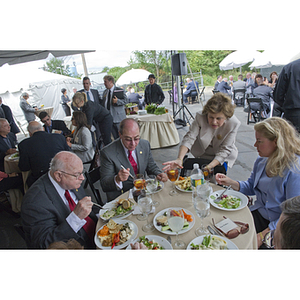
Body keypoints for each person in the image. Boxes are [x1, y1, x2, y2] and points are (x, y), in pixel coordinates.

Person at [215, 117, 300, 248]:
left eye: (259, 141)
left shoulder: (294, 170)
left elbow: (292, 215)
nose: (255, 145)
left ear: (276, 142)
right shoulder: (262, 161)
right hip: (258, 214)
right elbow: (251, 186)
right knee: (222, 233)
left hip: (280, 225)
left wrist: (262, 235)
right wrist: (230, 182)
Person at [21, 151, 98, 249]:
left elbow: (88, 205)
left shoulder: (70, 180)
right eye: (77, 174)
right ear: (58, 175)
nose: (82, 178)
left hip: (97, 230)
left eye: (81, 172)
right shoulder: (34, 202)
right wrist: (76, 217)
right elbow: (45, 244)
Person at [162, 93, 240, 174]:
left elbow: (225, 150)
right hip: (203, 151)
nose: (214, 122)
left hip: (223, 153)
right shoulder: (200, 116)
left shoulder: (233, 123)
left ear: (226, 117)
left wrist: (209, 167)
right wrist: (179, 159)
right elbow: (189, 138)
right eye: (211, 117)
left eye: (218, 118)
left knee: (215, 177)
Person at [100, 118, 168, 201]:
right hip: (122, 197)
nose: (133, 144)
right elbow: (104, 185)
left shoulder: (144, 144)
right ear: (120, 134)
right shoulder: (108, 153)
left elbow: (151, 166)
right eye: (128, 139)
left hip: (144, 192)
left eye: (136, 138)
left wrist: (159, 174)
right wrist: (117, 179)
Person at [18, 121, 70, 187]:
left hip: (41, 177)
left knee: (26, 181)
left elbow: (24, 167)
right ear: (43, 128)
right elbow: (69, 155)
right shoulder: (59, 137)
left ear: (29, 132)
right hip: (63, 172)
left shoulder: (24, 144)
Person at [273, 58, 300, 132]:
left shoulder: (289, 67)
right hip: (293, 110)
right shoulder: (289, 68)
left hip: (293, 111)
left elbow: (278, 95)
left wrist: (286, 105)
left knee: (292, 140)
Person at [102, 75, 128, 139]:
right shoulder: (105, 92)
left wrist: (117, 101)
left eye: (105, 82)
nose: (104, 83)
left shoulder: (119, 90)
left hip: (118, 118)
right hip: (109, 118)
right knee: (115, 136)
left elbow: (126, 101)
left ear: (110, 82)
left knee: (121, 135)